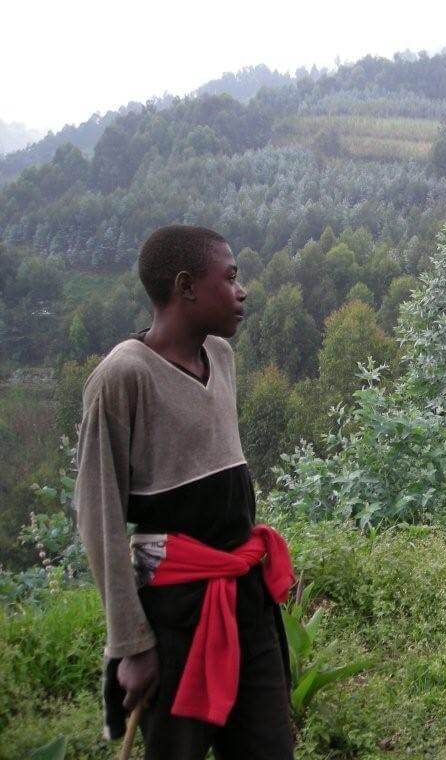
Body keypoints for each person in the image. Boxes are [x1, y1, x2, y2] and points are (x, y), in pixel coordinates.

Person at [74, 225, 295, 759]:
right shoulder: (123, 377)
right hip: (174, 616)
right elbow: (99, 517)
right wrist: (131, 645)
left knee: (269, 746)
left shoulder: (220, 356)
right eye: (231, 278)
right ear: (186, 286)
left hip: (245, 602)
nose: (242, 291)